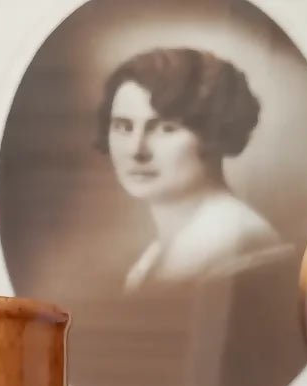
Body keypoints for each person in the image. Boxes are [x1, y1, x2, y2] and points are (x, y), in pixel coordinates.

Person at [95, 47, 293, 293]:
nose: (136, 150)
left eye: (166, 128)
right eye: (124, 127)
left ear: (214, 134)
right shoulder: (155, 254)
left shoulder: (236, 240)